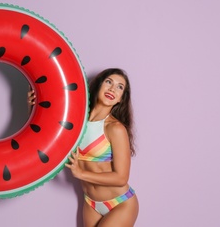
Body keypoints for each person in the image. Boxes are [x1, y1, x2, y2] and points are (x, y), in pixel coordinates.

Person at [28, 68, 139, 226]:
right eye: (109, 82)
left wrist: (81, 173)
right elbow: (45, 138)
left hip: (120, 203)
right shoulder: (74, 121)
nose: (113, 89)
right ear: (99, 85)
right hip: (91, 203)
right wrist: (32, 108)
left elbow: (121, 178)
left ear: (121, 99)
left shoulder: (115, 128)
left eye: (120, 87)